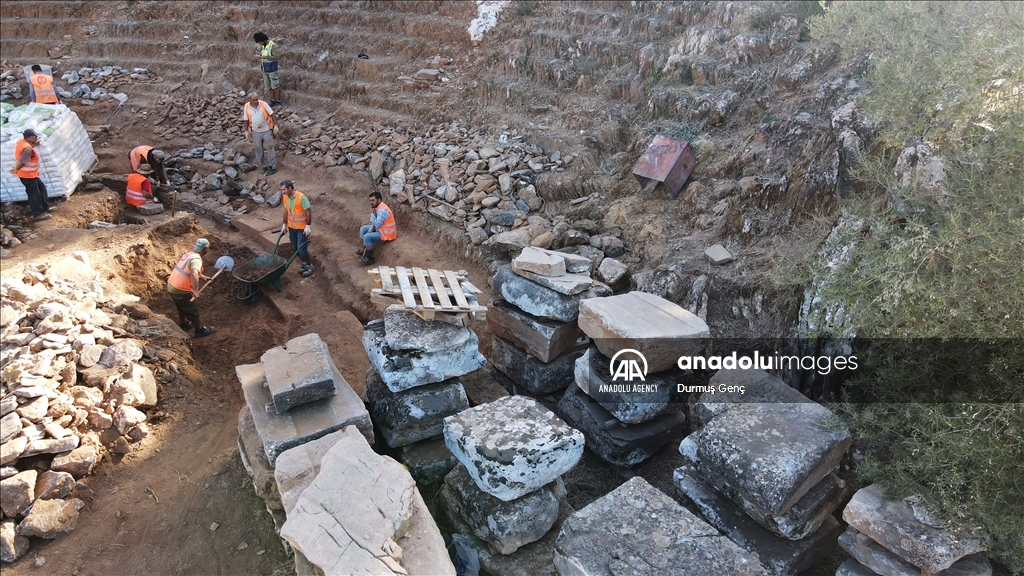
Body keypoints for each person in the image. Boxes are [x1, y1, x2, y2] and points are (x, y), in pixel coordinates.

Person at [166, 238, 216, 338]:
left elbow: (188, 270)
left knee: (181, 307)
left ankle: (183, 324)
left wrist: (203, 277)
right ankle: (199, 330)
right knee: (192, 310)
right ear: (206, 249)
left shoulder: (189, 254)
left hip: (172, 285)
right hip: (181, 289)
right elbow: (193, 273)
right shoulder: (197, 259)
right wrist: (195, 290)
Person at [9, 129, 51, 221]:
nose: (36, 139)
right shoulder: (27, 149)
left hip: (32, 174)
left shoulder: (22, 142)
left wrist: (34, 143)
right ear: (31, 138)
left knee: (42, 188)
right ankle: (38, 214)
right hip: (27, 176)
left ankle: (45, 208)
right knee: (34, 194)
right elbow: (22, 161)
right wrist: (16, 169)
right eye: (35, 137)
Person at [279, 180, 315, 277]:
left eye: (284, 189)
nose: (283, 192)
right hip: (292, 227)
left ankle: (309, 265)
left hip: (301, 229)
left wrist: (307, 226)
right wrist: (284, 225)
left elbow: (308, 212)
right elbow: (286, 211)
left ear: (290, 188)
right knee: (295, 248)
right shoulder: (285, 197)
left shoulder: (301, 198)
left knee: (302, 249)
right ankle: (304, 264)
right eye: (281, 190)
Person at [241, 92, 277, 175]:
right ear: (250, 100)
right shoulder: (247, 107)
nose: (256, 101)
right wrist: (246, 131)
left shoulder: (263, 104)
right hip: (255, 131)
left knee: (270, 148)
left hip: (266, 129)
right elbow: (246, 120)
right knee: (258, 149)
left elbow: (272, 114)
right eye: (254, 100)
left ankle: (273, 166)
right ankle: (263, 167)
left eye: (257, 99)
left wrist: (275, 126)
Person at [358, 192, 397, 265]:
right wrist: (369, 231)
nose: (371, 203)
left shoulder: (382, 210)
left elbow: (377, 224)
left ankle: (370, 258)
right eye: (370, 200)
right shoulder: (377, 208)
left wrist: (372, 214)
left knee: (367, 237)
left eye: (373, 200)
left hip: (387, 234)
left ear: (379, 200)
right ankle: (366, 249)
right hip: (382, 229)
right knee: (363, 229)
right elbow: (374, 224)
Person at [254, 32, 282, 107]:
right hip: (265, 69)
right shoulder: (263, 46)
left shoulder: (272, 45)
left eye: (260, 42)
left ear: (263, 40)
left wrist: (266, 57)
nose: (260, 43)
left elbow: (276, 57)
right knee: (269, 86)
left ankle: (278, 101)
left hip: (272, 69)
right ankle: (273, 100)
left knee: (275, 86)